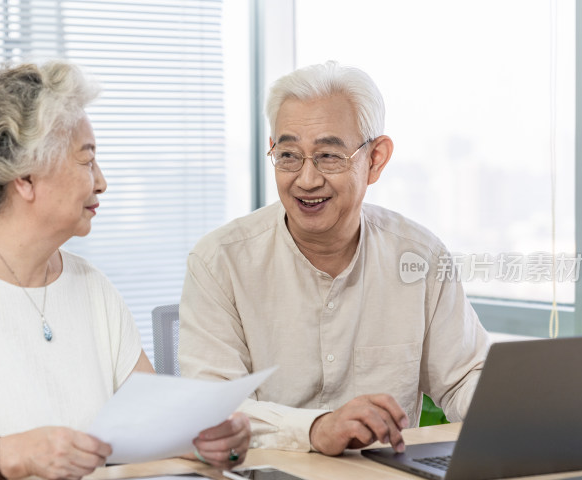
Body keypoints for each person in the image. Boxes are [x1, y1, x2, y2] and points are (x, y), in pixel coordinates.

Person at [0, 61, 250, 480]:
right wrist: (10, 456)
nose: (101, 182)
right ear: (25, 177)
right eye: (87, 161)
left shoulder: (94, 287)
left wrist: (206, 443)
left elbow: (151, 432)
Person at [178, 60, 489, 457]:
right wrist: (314, 430)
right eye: (289, 155)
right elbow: (212, 410)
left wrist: (520, 408)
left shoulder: (419, 257)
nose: (306, 180)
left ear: (375, 159)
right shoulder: (220, 261)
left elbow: (464, 378)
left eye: (328, 156)